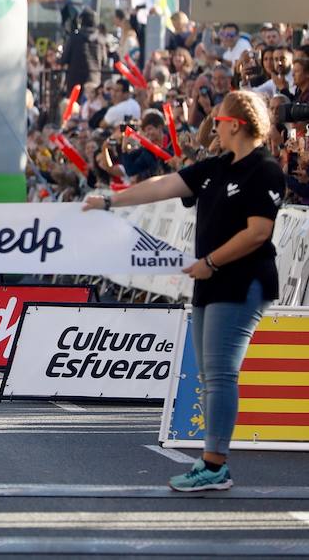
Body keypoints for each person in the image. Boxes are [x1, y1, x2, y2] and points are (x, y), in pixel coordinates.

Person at [83, 90, 283, 492]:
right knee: (210, 373)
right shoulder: (218, 166)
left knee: (221, 373)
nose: (214, 127)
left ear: (236, 124)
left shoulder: (264, 169)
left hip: (241, 281)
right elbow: (162, 185)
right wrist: (111, 201)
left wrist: (210, 262)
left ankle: (214, 464)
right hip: (212, 280)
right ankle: (212, 461)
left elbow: (258, 232)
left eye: (219, 121)